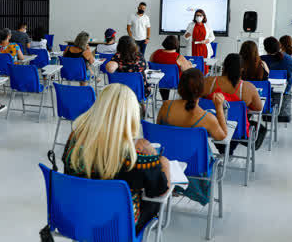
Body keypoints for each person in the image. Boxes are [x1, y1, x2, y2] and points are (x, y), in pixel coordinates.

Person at [62, 84, 171, 234]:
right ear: (131, 116)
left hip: (78, 217)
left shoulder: (75, 140)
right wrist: (159, 161)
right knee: (153, 203)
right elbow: (160, 191)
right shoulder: (137, 160)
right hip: (118, 226)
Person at [157, 68, 227, 205]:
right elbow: (222, 136)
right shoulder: (207, 118)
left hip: (169, 165)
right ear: (202, 90)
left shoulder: (165, 106)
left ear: (179, 87)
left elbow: (160, 132)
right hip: (196, 170)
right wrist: (219, 108)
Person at [203, 54, 263, 148]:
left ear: (224, 66)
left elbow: (196, 101)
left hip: (209, 127)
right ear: (242, 69)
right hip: (237, 131)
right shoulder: (248, 88)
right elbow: (258, 108)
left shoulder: (208, 82)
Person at [150, 35, 192, 100]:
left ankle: (165, 100)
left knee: (165, 76)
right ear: (177, 44)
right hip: (174, 83)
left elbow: (151, 64)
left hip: (158, 81)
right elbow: (188, 70)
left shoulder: (155, 53)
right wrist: (189, 64)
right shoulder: (179, 57)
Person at [183, 9, 215, 75]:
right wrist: (188, 34)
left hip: (204, 48)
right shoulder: (191, 25)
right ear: (195, 16)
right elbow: (185, 37)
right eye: (197, 15)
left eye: (200, 15)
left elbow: (213, 37)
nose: (198, 17)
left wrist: (207, 40)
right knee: (192, 67)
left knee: (204, 67)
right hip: (193, 47)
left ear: (203, 16)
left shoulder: (207, 25)